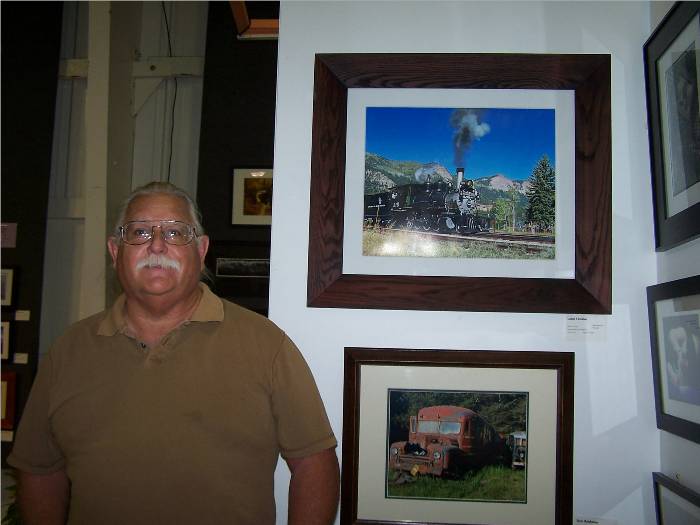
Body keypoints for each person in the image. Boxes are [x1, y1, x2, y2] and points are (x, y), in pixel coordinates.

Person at [8, 182, 339, 525]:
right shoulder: (69, 350)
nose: (156, 244)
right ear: (114, 250)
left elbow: (315, 463)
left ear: (201, 249)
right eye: (138, 232)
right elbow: (40, 471)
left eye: (175, 232)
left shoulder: (266, 345)